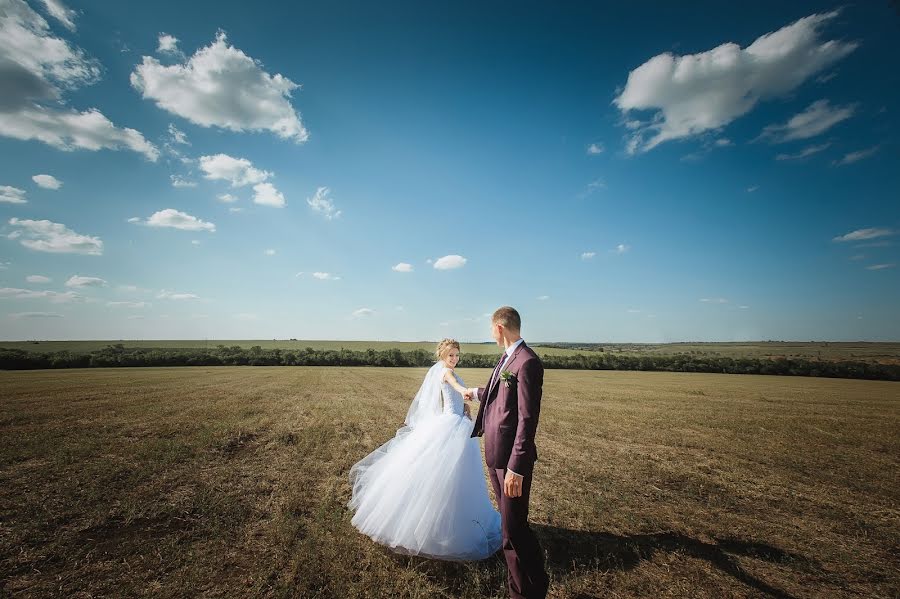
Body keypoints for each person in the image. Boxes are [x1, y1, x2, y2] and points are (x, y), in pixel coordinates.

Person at [347, 338, 502, 560]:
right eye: (451, 355)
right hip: (450, 426)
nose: (455, 359)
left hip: (458, 421)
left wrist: (464, 406)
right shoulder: (445, 372)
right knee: (440, 475)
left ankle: (455, 516)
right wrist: (466, 393)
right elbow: (456, 388)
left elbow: (452, 396)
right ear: (442, 356)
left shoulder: (449, 371)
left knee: (458, 477)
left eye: (457, 355)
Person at [464, 306, 550, 599]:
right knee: (508, 529)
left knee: (514, 531)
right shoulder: (506, 358)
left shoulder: (527, 362)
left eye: (490, 328)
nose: (490, 333)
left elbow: (527, 419)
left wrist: (516, 466)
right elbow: (496, 393)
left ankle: (531, 590)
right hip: (496, 456)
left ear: (499, 327)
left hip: (512, 463)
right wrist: (474, 394)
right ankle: (522, 589)